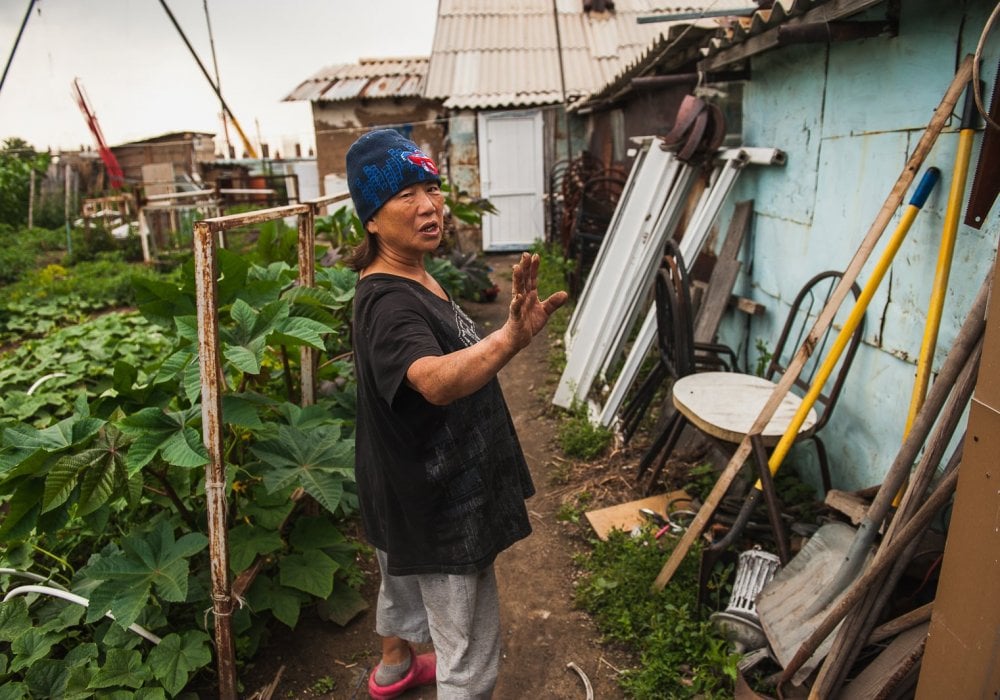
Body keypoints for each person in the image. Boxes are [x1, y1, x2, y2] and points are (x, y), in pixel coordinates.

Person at [344, 128, 568, 699]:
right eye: (406, 196)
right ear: (371, 218)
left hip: (397, 481)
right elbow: (435, 382)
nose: (429, 206)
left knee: (400, 584)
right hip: (438, 500)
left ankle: (394, 670)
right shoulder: (390, 302)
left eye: (431, 188)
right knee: (466, 651)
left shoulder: (413, 270)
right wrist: (511, 338)